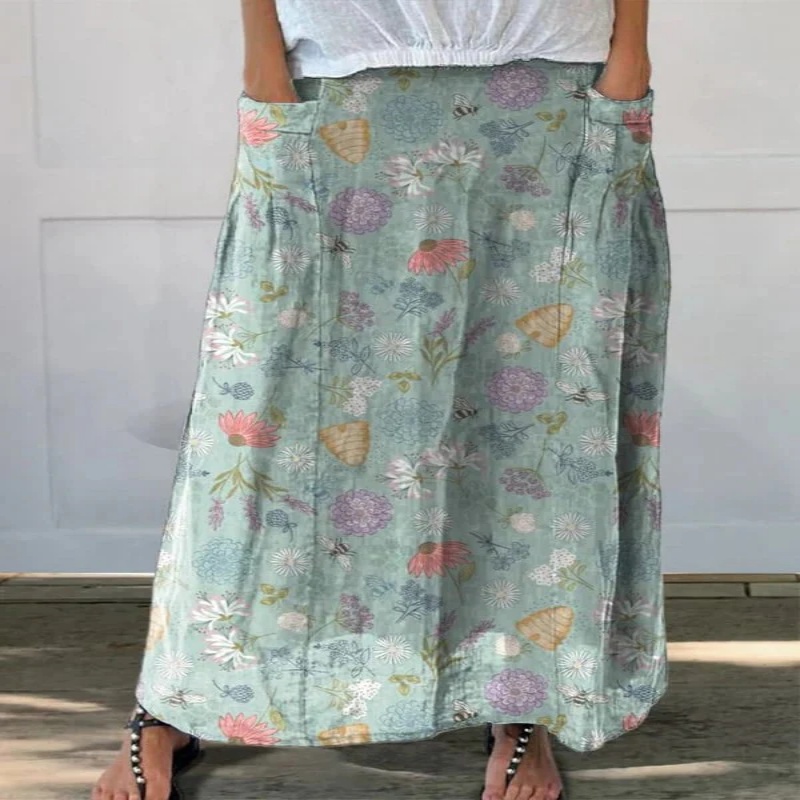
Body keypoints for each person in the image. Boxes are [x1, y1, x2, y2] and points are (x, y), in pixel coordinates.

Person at [92, 1, 670, 799]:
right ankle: (175, 700)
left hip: (554, 94)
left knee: (535, 427)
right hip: (339, 88)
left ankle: (522, 699)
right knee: (261, 429)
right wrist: (265, 67)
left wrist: (631, 53)